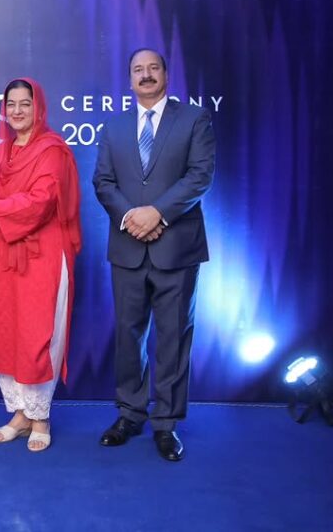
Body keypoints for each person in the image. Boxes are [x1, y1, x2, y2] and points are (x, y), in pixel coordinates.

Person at [92, 48, 215, 462]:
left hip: (177, 247)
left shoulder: (194, 119)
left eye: (153, 68)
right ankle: (130, 414)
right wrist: (132, 217)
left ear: (166, 73)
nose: (145, 75)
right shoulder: (114, 126)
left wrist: (157, 213)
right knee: (128, 336)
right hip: (127, 247)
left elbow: (200, 176)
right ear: (129, 79)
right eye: (137, 70)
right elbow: (103, 182)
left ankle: (166, 423)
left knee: (173, 337)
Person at [0, 77, 81, 453]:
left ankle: (41, 417)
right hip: (2, 253)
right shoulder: (3, 151)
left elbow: (42, 201)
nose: (18, 110)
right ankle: (21, 414)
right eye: (11, 104)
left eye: (26, 103)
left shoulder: (52, 149)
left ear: (38, 107)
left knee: (38, 334)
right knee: (7, 332)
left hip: (43, 256)